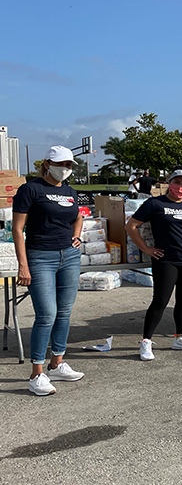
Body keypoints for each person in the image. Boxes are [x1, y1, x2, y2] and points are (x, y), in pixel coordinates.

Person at [12, 146, 85, 396]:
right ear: (47, 163)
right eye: (61, 163)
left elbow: (78, 217)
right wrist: (23, 264)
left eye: (69, 165)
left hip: (70, 256)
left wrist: (76, 237)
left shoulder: (70, 191)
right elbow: (17, 229)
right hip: (40, 256)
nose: (65, 169)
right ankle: (36, 373)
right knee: (47, 314)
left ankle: (57, 363)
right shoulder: (30, 189)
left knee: (64, 312)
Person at [126, 170, 182, 361]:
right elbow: (131, 226)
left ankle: (180, 337)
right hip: (167, 260)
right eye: (177, 182)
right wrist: (146, 249)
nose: (180, 188)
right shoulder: (154, 204)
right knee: (160, 302)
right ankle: (146, 342)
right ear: (169, 183)